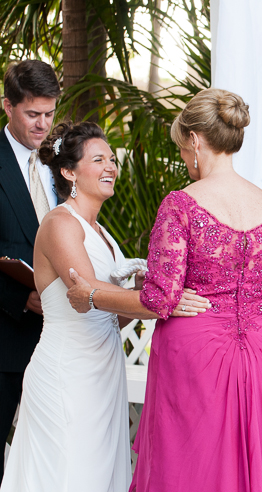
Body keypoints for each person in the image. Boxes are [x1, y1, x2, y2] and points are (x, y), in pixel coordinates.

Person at [66, 88, 262, 492]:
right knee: (260, 460)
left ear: (195, 140)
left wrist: (91, 294)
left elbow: (160, 298)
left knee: (192, 465)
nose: (181, 157)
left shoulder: (181, 204)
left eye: (180, 147)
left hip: (197, 349)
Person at [1, 121, 203, 491]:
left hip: (106, 371)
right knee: (69, 476)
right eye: (99, 159)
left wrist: (143, 294)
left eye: (112, 158)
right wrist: (162, 300)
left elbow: (109, 314)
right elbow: (90, 290)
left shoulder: (103, 233)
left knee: (100, 476)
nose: (111, 166)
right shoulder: (60, 223)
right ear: (68, 171)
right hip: (67, 372)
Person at [0, 60, 60, 483]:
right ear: (7, 106)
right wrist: (20, 297)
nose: (42, 125)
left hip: (59, 338)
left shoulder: (62, 164)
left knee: (49, 455)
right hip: (5, 335)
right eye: (32, 114)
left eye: (49, 113)